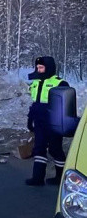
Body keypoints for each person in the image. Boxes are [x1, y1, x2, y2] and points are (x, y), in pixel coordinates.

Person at [26, 56, 69, 186]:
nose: (38, 70)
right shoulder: (36, 82)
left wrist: (64, 122)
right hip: (40, 121)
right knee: (39, 148)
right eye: (37, 67)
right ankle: (37, 178)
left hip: (54, 122)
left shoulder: (60, 83)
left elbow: (66, 105)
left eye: (41, 67)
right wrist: (30, 119)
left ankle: (60, 178)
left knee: (55, 149)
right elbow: (35, 104)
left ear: (49, 67)